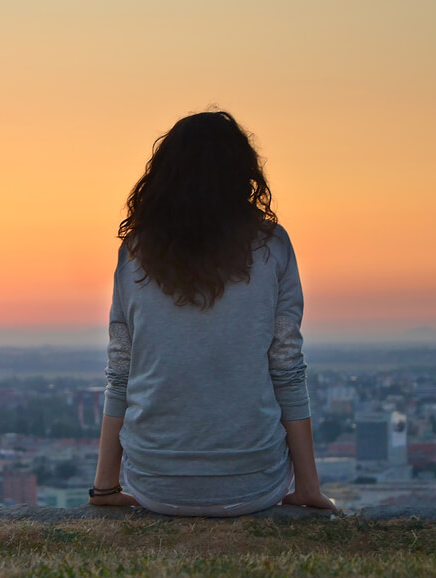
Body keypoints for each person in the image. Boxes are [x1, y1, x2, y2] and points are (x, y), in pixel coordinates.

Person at [88, 110, 336, 516]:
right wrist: (307, 487)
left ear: (164, 177)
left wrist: (104, 488)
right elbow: (287, 368)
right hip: (255, 480)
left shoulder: (135, 252)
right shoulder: (272, 246)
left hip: (154, 480)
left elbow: (121, 372)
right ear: (242, 173)